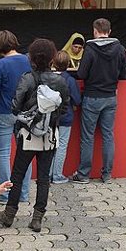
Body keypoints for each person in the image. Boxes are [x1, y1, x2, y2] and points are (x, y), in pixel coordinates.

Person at [0, 38, 69, 233]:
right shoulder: (59, 80)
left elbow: (15, 105)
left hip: (27, 134)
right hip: (50, 135)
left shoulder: (27, 78)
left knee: (17, 174)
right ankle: (37, 218)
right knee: (43, 178)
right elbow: (64, 107)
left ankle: (9, 214)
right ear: (52, 58)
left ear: (31, 57)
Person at [72, 18, 126, 185]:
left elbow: (81, 74)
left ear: (95, 31)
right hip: (110, 97)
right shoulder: (120, 49)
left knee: (88, 137)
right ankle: (107, 175)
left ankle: (83, 175)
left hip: (92, 97)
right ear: (109, 31)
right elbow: (124, 75)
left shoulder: (90, 49)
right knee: (108, 136)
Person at [0, 30, 33, 204]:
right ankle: (24, 194)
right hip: (25, 113)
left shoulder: (0, 64)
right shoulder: (28, 60)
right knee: (25, 153)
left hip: (4, 112)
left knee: (4, 154)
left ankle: (5, 195)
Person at [50, 51, 82, 184]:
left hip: (50, 117)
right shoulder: (70, 80)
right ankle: (57, 175)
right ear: (68, 64)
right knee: (61, 146)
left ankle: (48, 174)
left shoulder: (48, 78)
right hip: (65, 117)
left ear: (53, 63)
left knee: (51, 145)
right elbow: (77, 99)